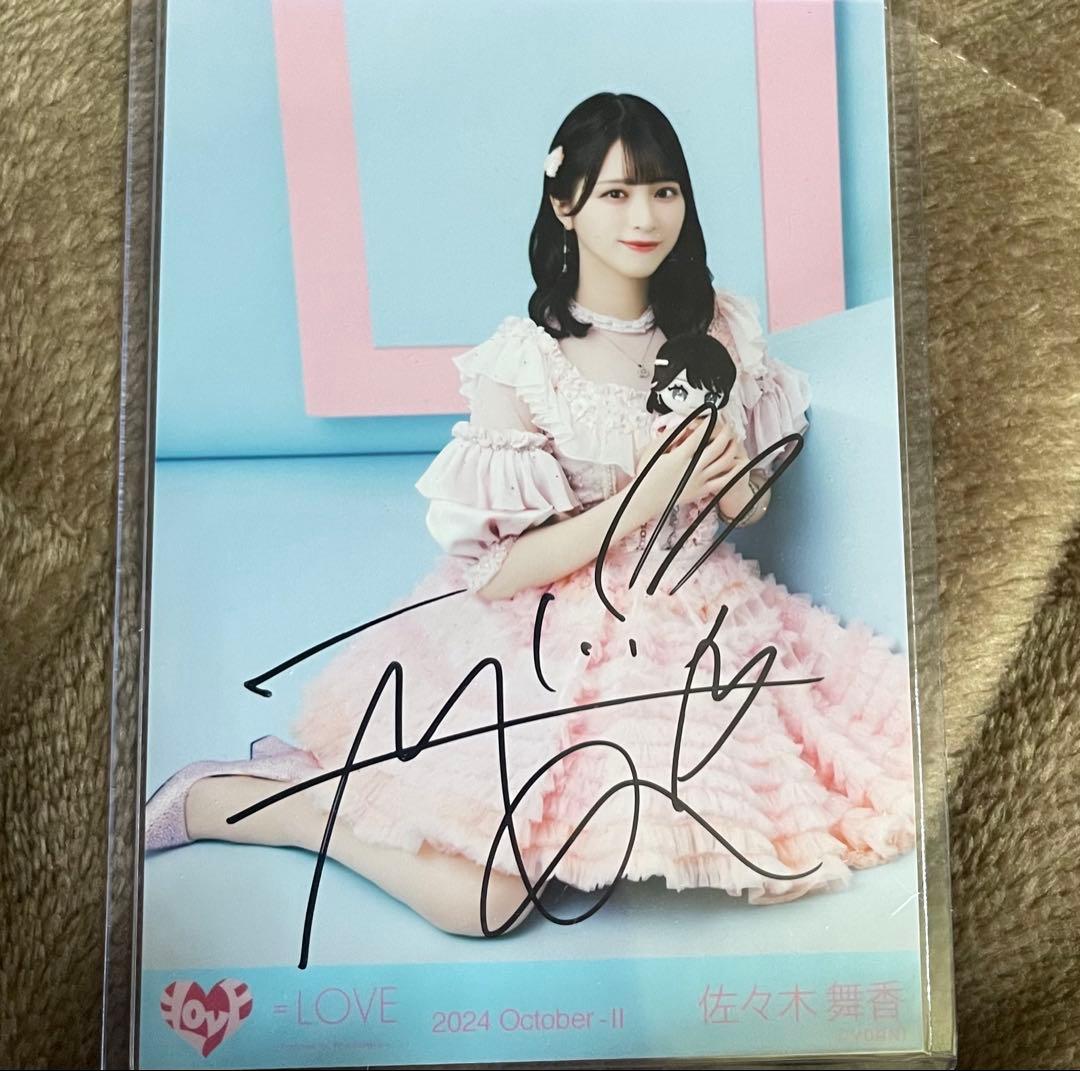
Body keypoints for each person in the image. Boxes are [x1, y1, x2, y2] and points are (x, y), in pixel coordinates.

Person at [146, 92, 915, 941]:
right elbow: (497, 569)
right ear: (564, 203)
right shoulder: (524, 362)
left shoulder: (721, 327)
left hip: (702, 617)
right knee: (487, 905)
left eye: (663, 190)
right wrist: (644, 495)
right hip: (546, 628)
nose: (645, 217)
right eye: (616, 193)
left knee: (842, 791)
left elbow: (750, 504)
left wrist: (728, 474)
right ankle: (268, 803)